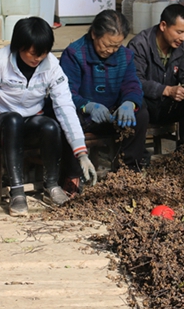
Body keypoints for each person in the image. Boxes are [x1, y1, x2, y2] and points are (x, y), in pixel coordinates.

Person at [0, 17, 97, 217]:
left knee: (50, 125)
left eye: (43, 53)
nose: (38, 58)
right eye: (33, 53)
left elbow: (65, 106)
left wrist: (81, 152)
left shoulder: (51, 65)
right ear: (19, 47)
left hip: (29, 122)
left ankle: (51, 185)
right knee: (13, 120)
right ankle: (17, 192)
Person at [59, 10, 148, 192]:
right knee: (64, 117)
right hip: (84, 116)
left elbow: (132, 84)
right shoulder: (74, 54)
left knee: (142, 112)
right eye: (107, 45)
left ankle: (129, 172)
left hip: (112, 115)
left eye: (116, 46)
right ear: (94, 34)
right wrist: (87, 106)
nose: (111, 51)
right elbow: (65, 92)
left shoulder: (125, 56)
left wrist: (129, 103)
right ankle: (73, 176)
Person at [128, 4, 184, 146]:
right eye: (179, 32)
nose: (183, 37)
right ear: (163, 26)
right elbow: (135, 81)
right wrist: (166, 90)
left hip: (166, 105)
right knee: (134, 105)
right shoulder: (140, 45)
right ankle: (137, 156)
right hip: (145, 104)